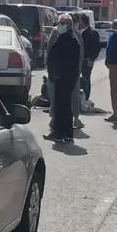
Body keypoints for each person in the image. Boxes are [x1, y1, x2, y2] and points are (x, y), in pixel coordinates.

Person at [45, 14, 82, 143]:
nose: (58, 26)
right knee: (64, 106)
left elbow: (63, 61)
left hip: (63, 78)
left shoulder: (68, 40)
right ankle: (66, 133)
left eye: (61, 24)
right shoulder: (67, 38)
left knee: (61, 106)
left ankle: (59, 133)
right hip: (65, 77)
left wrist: (56, 73)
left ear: (67, 25)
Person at [78, 13, 103, 113]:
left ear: (83, 22)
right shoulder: (76, 32)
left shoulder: (93, 33)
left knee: (86, 79)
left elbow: (97, 48)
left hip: (86, 60)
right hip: (76, 60)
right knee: (74, 80)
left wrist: (92, 59)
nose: (78, 23)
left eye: (79, 21)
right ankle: (76, 100)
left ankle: (86, 99)